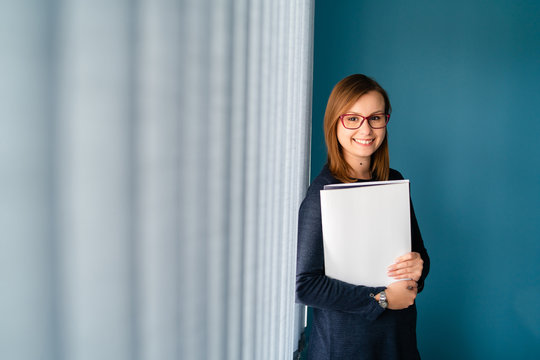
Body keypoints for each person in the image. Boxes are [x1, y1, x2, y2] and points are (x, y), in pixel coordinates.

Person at [296, 74, 430, 359]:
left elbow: (420, 258)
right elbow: (306, 286)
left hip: (398, 342)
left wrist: (417, 268)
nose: (366, 129)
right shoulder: (323, 193)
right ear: (335, 123)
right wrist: (380, 299)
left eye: (375, 118)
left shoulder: (394, 182)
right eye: (353, 118)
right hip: (346, 348)